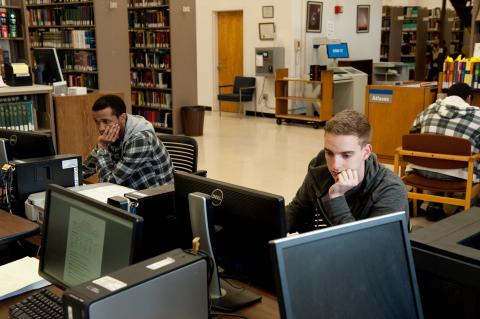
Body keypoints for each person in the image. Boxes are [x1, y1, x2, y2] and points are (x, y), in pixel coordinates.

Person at [286, 109, 408, 233]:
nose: (335, 165)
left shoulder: (391, 190)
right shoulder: (319, 167)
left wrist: (336, 197)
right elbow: (299, 209)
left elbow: (366, 247)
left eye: (346, 155)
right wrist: (271, 224)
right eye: (329, 153)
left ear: (366, 152)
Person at [410, 82, 480, 220]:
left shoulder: (429, 109)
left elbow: (413, 133)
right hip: (457, 176)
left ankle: (434, 206)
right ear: (469, 99)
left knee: (437, 157)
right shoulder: (478, 115)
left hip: (422, 171)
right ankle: (467, 209)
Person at [83, 95, 174, 190]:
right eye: (97, 122)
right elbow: (87, 168)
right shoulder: (112, 134)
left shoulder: (140, 139)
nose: (101, 128)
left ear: (122, 117)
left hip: (157, 197)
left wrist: (102, 148)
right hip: (129, 192)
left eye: (106, 121)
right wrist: (69, 178)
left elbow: (109, 183)